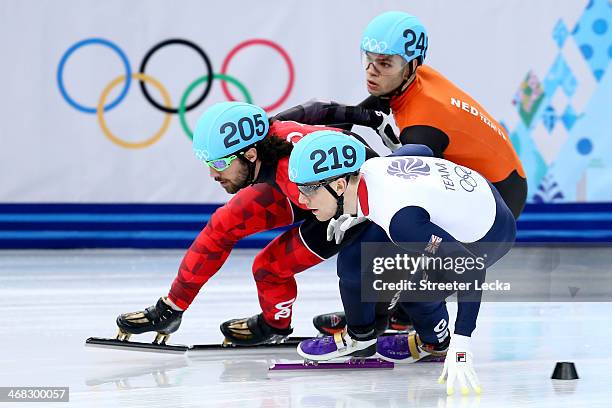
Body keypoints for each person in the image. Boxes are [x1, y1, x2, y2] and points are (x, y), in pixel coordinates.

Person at [276, 11, 526, 334]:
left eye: (384, 64)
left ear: (410, 66)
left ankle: (402, 312)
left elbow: (401, 193)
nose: (372, 71)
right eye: (368, 59)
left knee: (399, 236)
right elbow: (361, 113)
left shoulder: (423, 125)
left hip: (498, 195)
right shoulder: (411, 81)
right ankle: (392, 307)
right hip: (496, 172)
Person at [115, 102, 380, 346]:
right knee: (223, 224)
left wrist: (373, 313)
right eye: (208, 163)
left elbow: (376, 225)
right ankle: (170, 309)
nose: (213, 174)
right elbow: (315, 108)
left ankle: (394, 309)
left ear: (251, 154)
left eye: (219, 163)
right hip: (312, 187)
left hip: (352, 205)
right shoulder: (270, 132)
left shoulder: (290, 169)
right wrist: (365, 116)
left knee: (269, 267)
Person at [287, 130, 516, 395]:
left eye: (307, 190)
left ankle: (437, 343)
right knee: (354, 258)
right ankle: (362, 335)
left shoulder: (401, 223)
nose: (302, 200)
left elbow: (470, 270)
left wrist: (462, 343)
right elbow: (421, 150)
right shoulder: (373, 167)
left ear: (339, 186)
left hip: (490, 234)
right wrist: (359, 213)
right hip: (474, 194)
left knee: (415, 293)